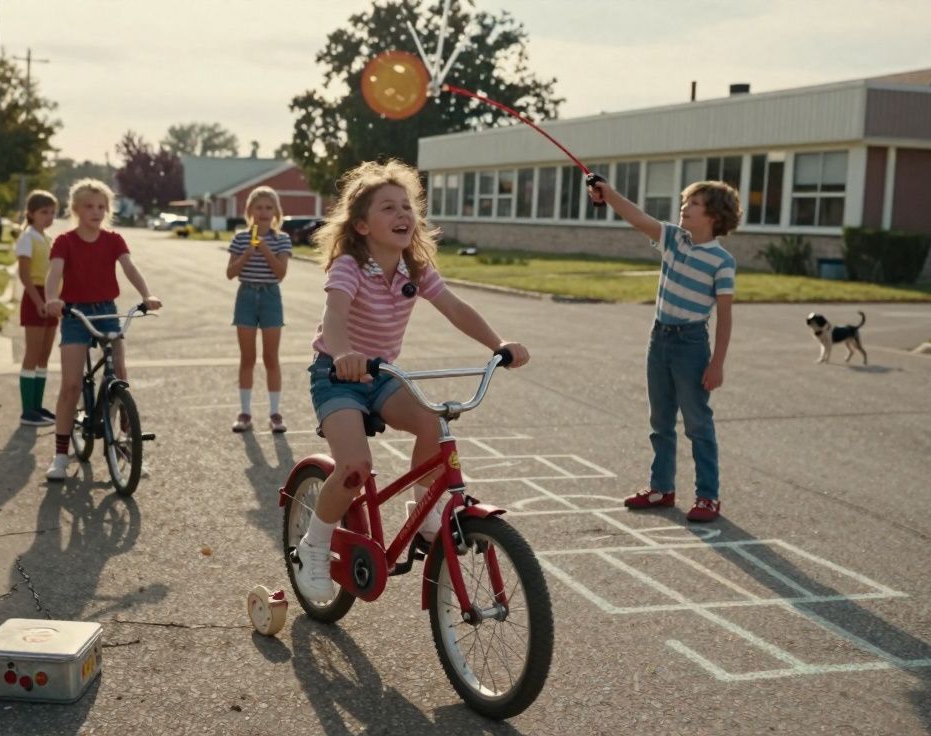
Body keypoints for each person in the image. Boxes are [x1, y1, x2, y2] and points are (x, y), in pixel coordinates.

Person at [292, 160, 530, 600]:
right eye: (388, 208)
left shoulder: (414, 269)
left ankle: (424, 512)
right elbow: (335, 314)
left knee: (432, 423)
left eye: (407, 206)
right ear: (362, 225)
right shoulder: (349, 266)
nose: (402, 214)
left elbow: (455, 308)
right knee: (355, 466)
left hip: (382, 375)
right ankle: (315, 545)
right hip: (337, 375)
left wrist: (499, 344)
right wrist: (342, 354)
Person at [586, 174, 739, 523]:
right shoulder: (673, 239)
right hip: (660, 338)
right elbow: (637, 217)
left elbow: (725, 316)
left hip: (691, 344)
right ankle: (661, 488)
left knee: (697, 423)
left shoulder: (722, 261)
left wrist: (717, 364)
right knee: (660, 420)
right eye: (685, 201)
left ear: (714, 215)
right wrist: (609, 193)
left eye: (694, 203)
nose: (685, 207)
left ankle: (708, 496)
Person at [42, 179, 161, 482]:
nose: (96, 212)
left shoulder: (114, 240)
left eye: (101, 207)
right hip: (75, 313)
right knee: (71, 385)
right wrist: (52, 299)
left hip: (107, 310)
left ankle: (126, 446)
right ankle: (60, 455)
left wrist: (146, 295)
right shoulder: (65, 241)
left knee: (119, 374)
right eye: (89, 207)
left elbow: (129, 267)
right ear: (76, 209)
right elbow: (54, 273)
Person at [225, 186, 293, 433]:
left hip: (270, 297)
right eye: (259, 208)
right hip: (245, 295)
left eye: (268, 208)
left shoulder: (281, 239)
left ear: (276, 212)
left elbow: (281, 273)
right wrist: (246, 254)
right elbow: (230, 273)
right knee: (248, 358)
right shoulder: (240, 238)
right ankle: (245, 413)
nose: (263, 212)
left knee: (271, 357)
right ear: (250, 211)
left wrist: (264, 249)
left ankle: (275, 413)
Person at [15, 190, 61, 426]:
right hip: (36, 297)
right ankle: (27, 411)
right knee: (32, 354)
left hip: (51, 298)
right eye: (44, 212)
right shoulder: (27, 238)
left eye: (53, 212)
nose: (49, 217)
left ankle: (37, 406)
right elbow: (24, 275)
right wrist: (38, 302)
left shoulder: (48, 238)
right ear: (31, 213)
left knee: (44, 355)